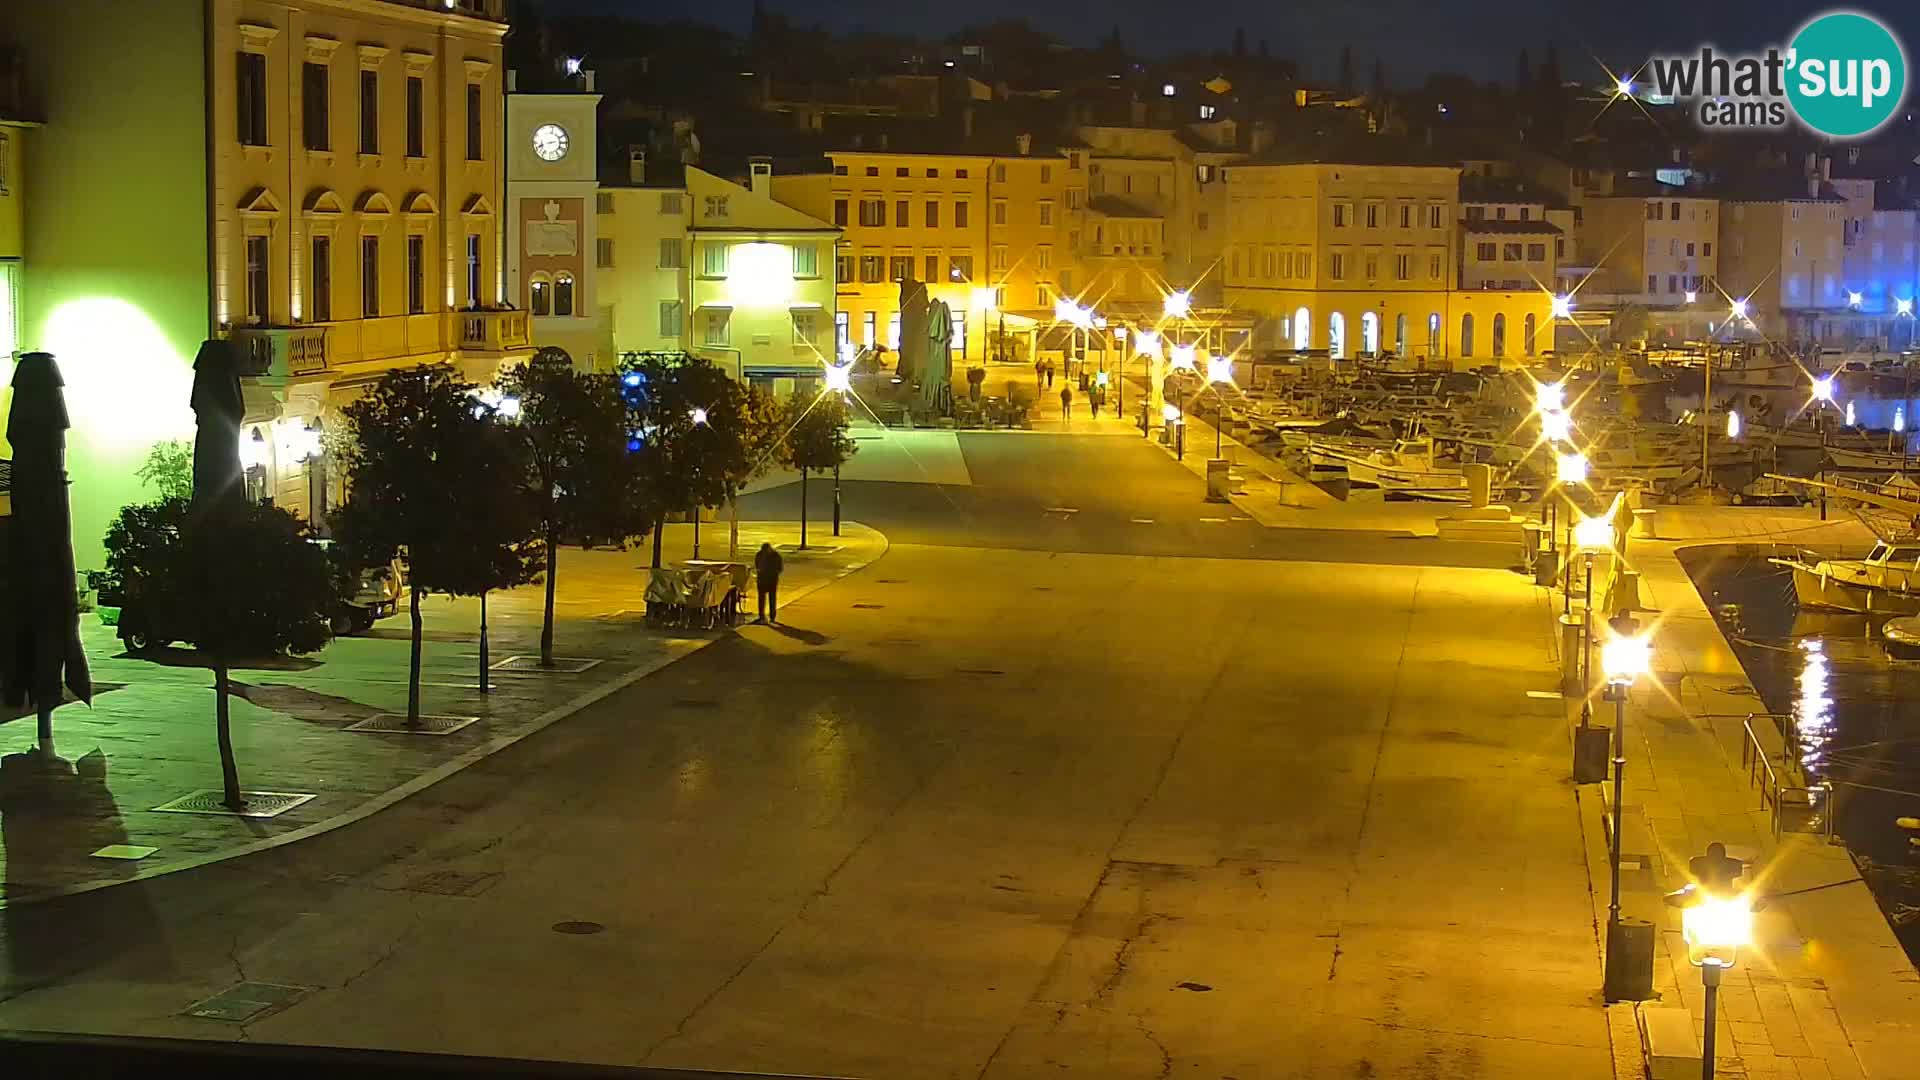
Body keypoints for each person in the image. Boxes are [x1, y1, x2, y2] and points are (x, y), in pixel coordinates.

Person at [753, 542, 784, 624]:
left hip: (768, 579)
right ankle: (767, 616)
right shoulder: (775, 556)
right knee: (768, 598)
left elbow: (757, 565)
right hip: (767, 579)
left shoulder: (762, 555)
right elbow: (780, 568)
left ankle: (766, 616)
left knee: (766, 598)